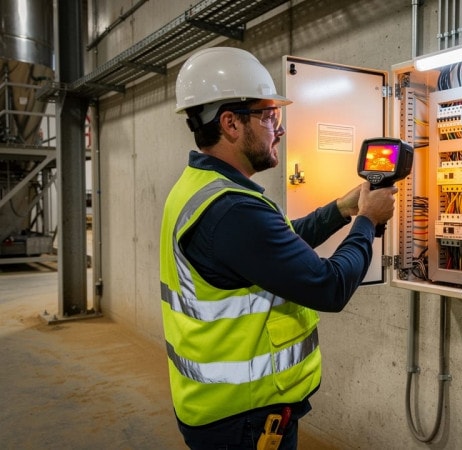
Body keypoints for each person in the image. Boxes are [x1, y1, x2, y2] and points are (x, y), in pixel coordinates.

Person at [159, 46, 398, 450]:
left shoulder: (202, 189)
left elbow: (279, 246)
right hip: (245, 418)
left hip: (219, 409)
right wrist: (367, 222)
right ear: (231, 123)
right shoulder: (232, 209)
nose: (280, 129)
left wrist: (342, 209)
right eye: (270, 117)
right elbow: (329, 286)